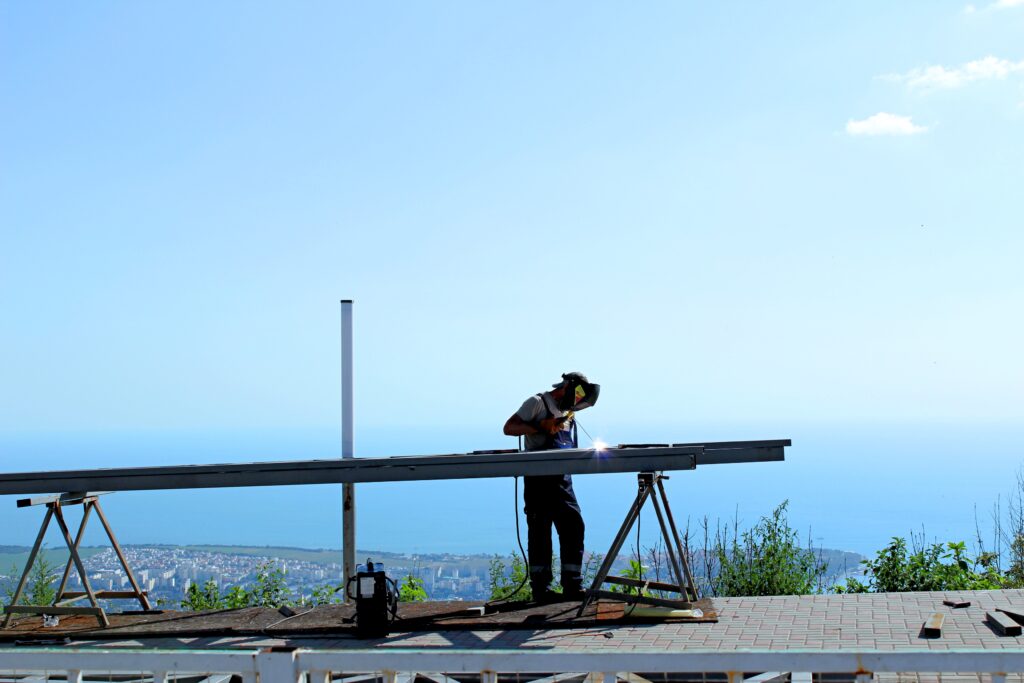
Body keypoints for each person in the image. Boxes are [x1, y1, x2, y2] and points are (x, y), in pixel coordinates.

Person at [503, 372, 600, 602]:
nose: (577, 402)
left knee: (573, 526)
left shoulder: (568, 413)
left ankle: (572, 585)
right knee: (540, 533)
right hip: (538, 480)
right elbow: (509, 427)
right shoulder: (537, 403)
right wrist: (539, 427)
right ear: (567, 387)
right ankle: (541, 589)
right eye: (577, 395)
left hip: (563, 480)